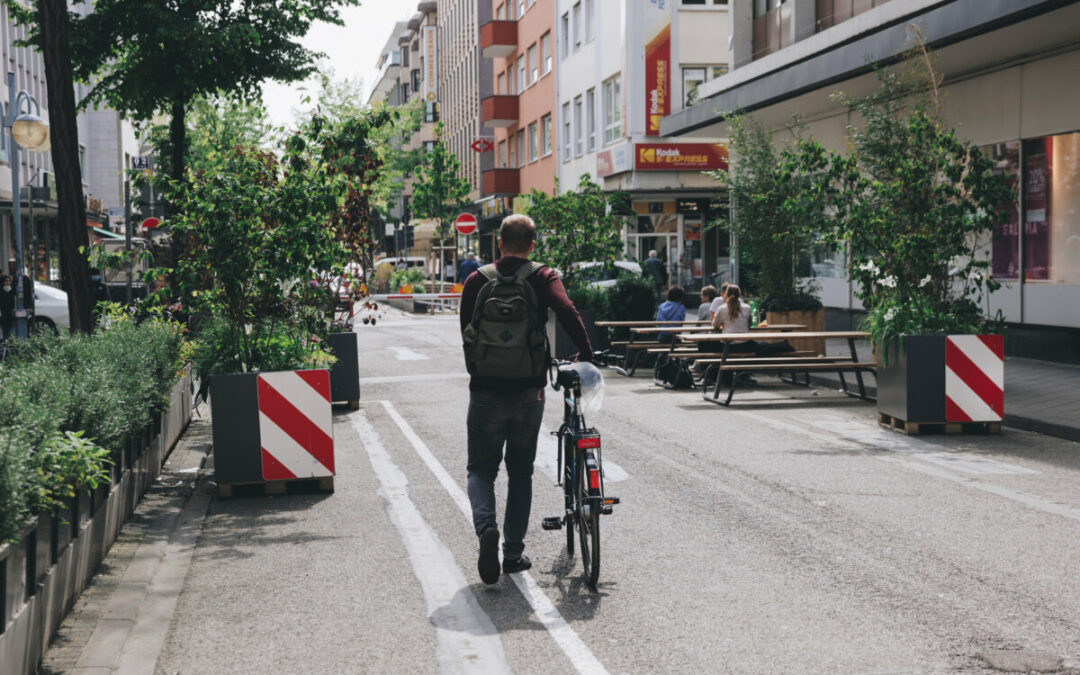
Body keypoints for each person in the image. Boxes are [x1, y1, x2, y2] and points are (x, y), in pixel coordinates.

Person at [459, 214, 593, 585]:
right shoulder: (542, 276)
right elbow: (567, 310)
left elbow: (467, 333)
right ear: (532, 245)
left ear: (498, 243)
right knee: (521, 471)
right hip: (527, 392)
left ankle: (486, 527)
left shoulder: (477, 279)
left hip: (485, 390)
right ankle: (513, 553)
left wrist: (481, 370)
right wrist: (586, 352)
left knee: (481, 470)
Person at [0, 274, 14, 341]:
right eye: (6, 281)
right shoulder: (1, 291)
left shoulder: (12, 291)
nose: (8, 283)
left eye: (9, 281)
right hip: (3, 313)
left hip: (10, 313)